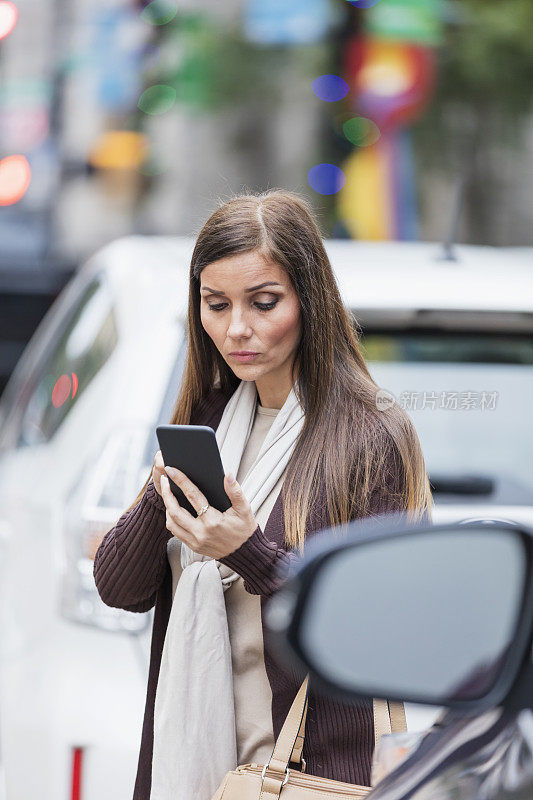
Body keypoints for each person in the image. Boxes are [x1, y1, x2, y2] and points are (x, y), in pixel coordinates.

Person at [93, 188, 433, 800]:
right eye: (216, 305)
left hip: (306, 775)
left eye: (264, 302)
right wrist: (164, 483)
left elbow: (383, 627)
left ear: (310, 300)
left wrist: (248, 553)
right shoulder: (211, 419)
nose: (237, 328)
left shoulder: (371, 434)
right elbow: (121, 590)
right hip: (191, 767)